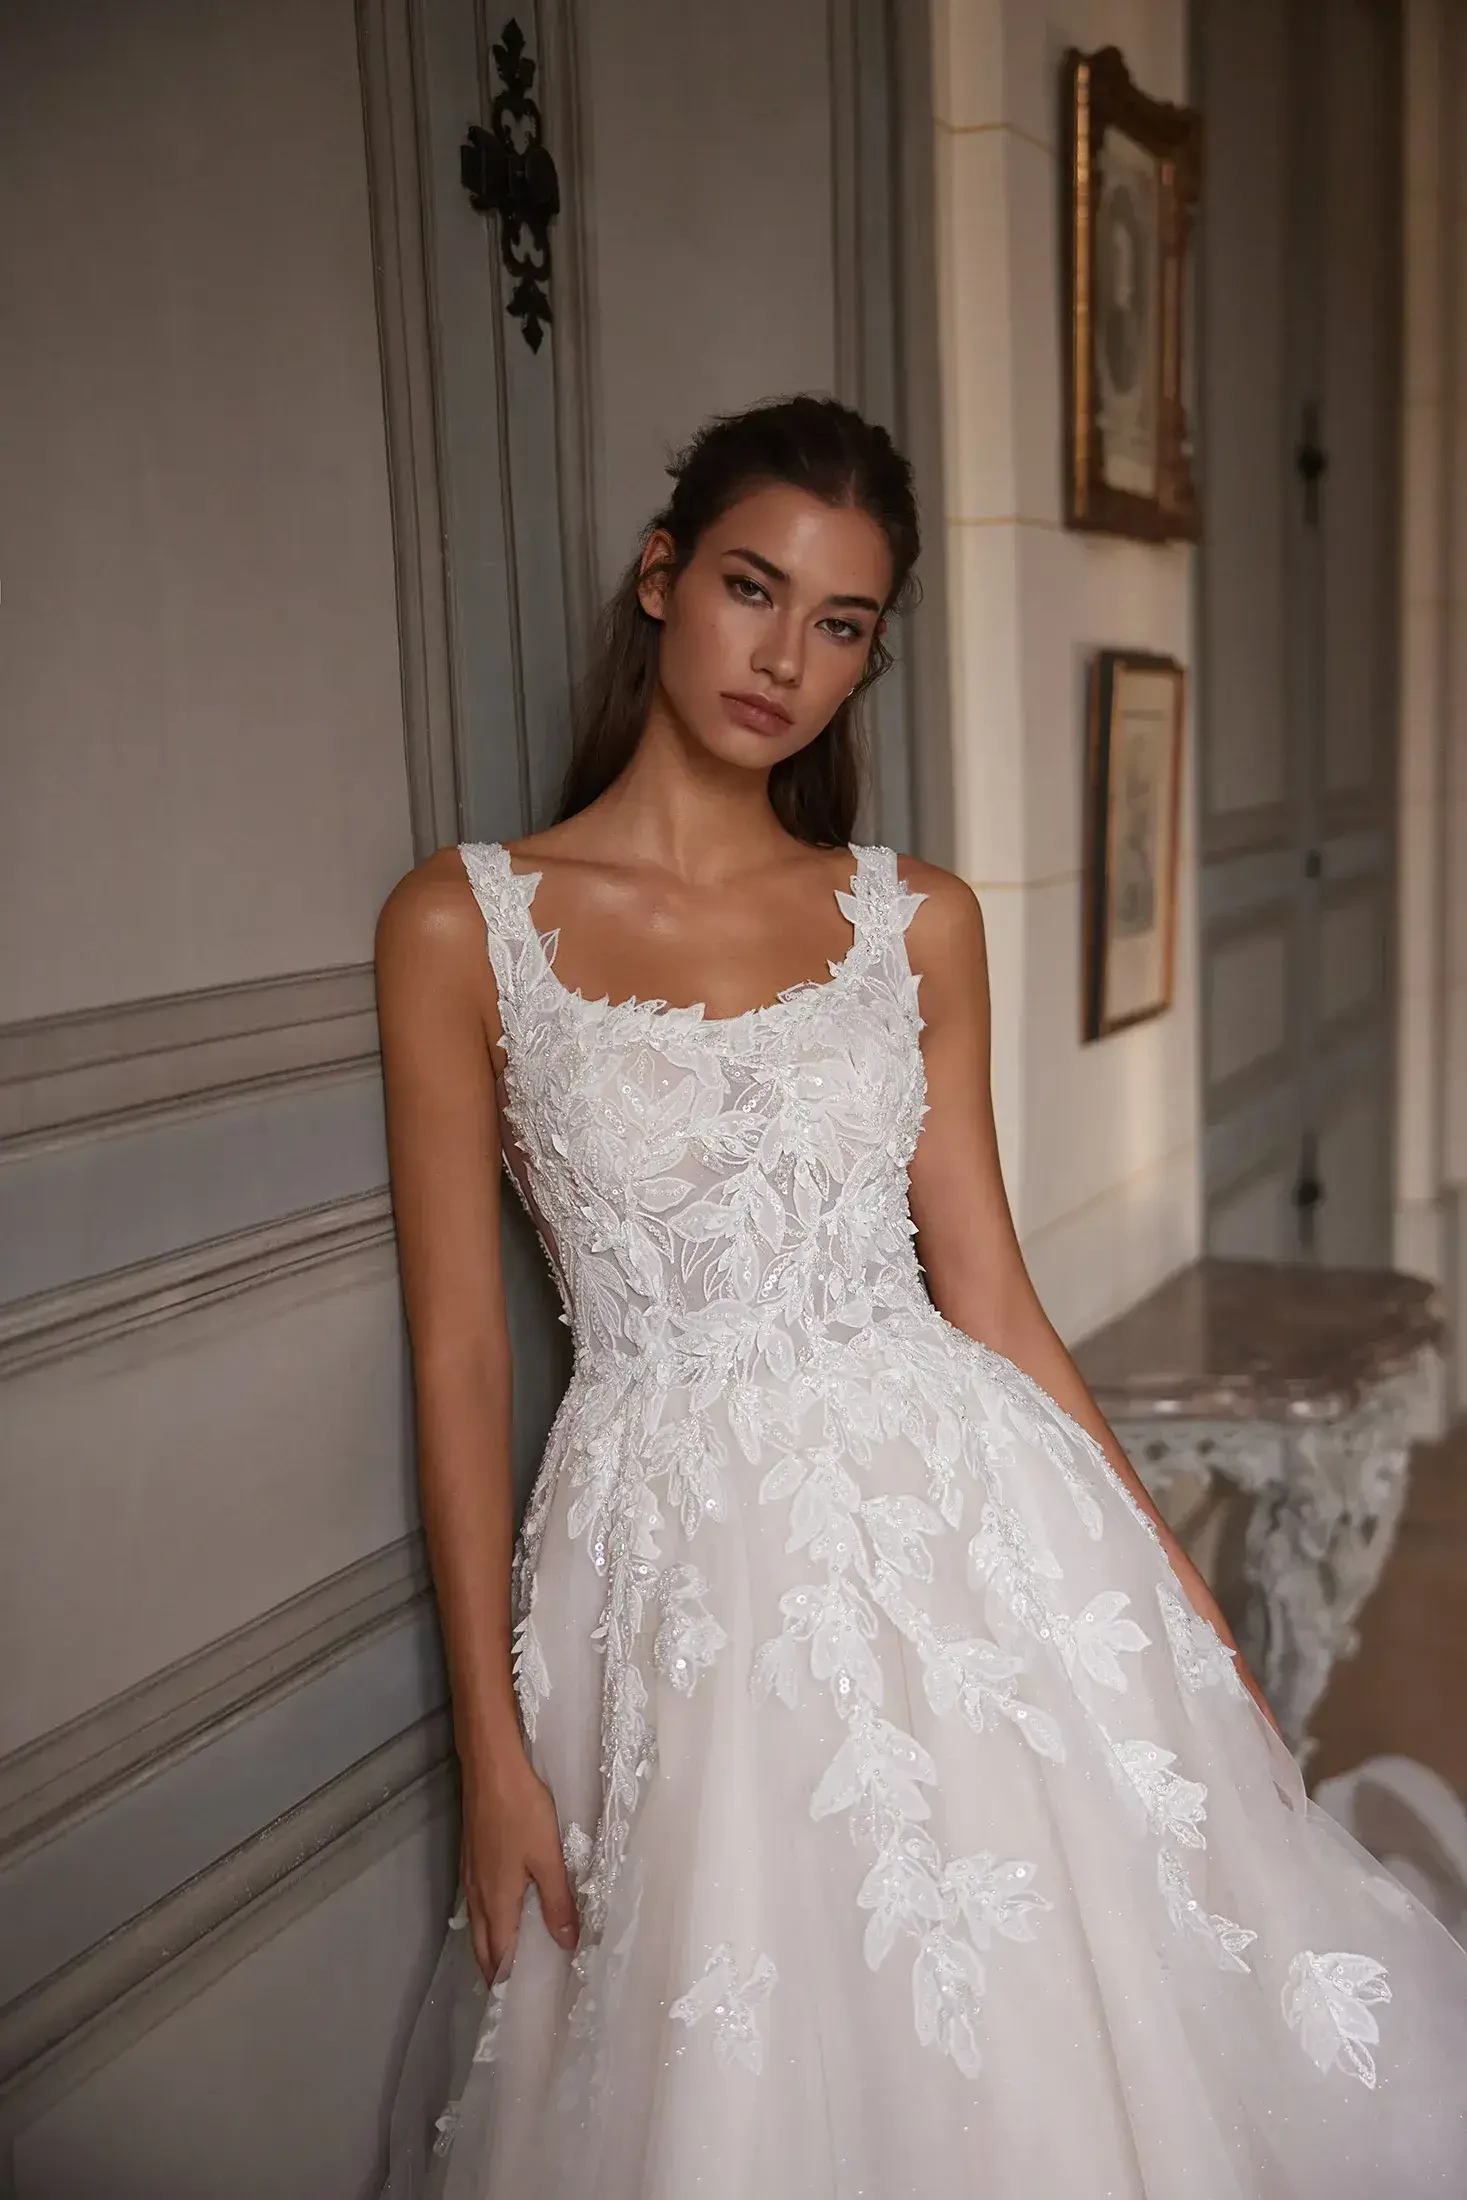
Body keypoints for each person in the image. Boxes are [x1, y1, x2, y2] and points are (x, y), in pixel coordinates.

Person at [374, 395, 1467, 2198]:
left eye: (838, 625)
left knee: (1034, 2011)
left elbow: (992, 1297)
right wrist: (492, 1752)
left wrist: (1174, 1589)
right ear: (660, 577)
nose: (781, 660)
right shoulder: (462, 924)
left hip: (968, 1527)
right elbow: (463, 1355)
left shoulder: (913, 920)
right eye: (749, 589)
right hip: (678, 1562)